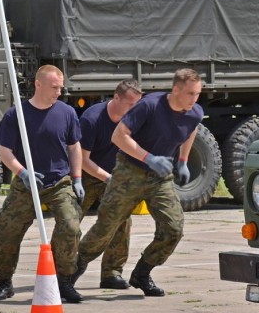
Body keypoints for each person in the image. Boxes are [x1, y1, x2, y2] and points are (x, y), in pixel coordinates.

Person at [76, 68, 203, 297]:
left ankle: (142, 273)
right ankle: (70, 273)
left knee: (173, 229)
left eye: (198, 94)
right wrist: (149, 158)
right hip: (129, 172)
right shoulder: (150, 106)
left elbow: (191, 129)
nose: (194, 99)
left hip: (160, 179)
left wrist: (183, 160)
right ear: (176, 90)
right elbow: (119, 136)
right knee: (107, 227)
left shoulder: (194, 112)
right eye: (190, 94)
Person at [0, 64, 85, 303]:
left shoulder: (67, 113)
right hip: (27, 183)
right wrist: (23, 173)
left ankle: (63, 281)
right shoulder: (17, 114)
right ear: (38, 84)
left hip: (58, 183)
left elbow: (74, 147)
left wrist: (77, 178)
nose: (59, 92)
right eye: (54, 87)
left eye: (61, 88)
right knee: (7, 228)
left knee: (71, 227)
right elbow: (4, 151)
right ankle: (4, 281)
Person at [73, 80, 143, 290]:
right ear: (116, 98)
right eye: (130, 104)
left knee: (122, 221)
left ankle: (112, 273)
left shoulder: (133, 121)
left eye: (137, 105)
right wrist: (107, 178)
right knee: (69, 223)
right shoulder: (92, 119)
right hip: (86, 174)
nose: (134, 110)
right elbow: (83, 159)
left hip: (113, 175)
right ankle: (63, 270)